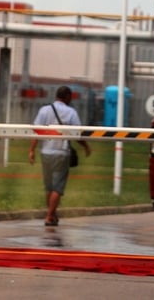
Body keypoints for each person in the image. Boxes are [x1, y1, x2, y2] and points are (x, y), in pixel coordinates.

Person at [29, 86, 91, 227]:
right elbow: (77, 134)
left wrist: (31, 150)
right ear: (68, 96)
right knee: (58, 187)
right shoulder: (71, 112)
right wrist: (86, 146)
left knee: (49, 186)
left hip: (46, 152)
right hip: (61, 153)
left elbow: (36, 131)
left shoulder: (44, 110)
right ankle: (49, 216)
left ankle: (53, 214)